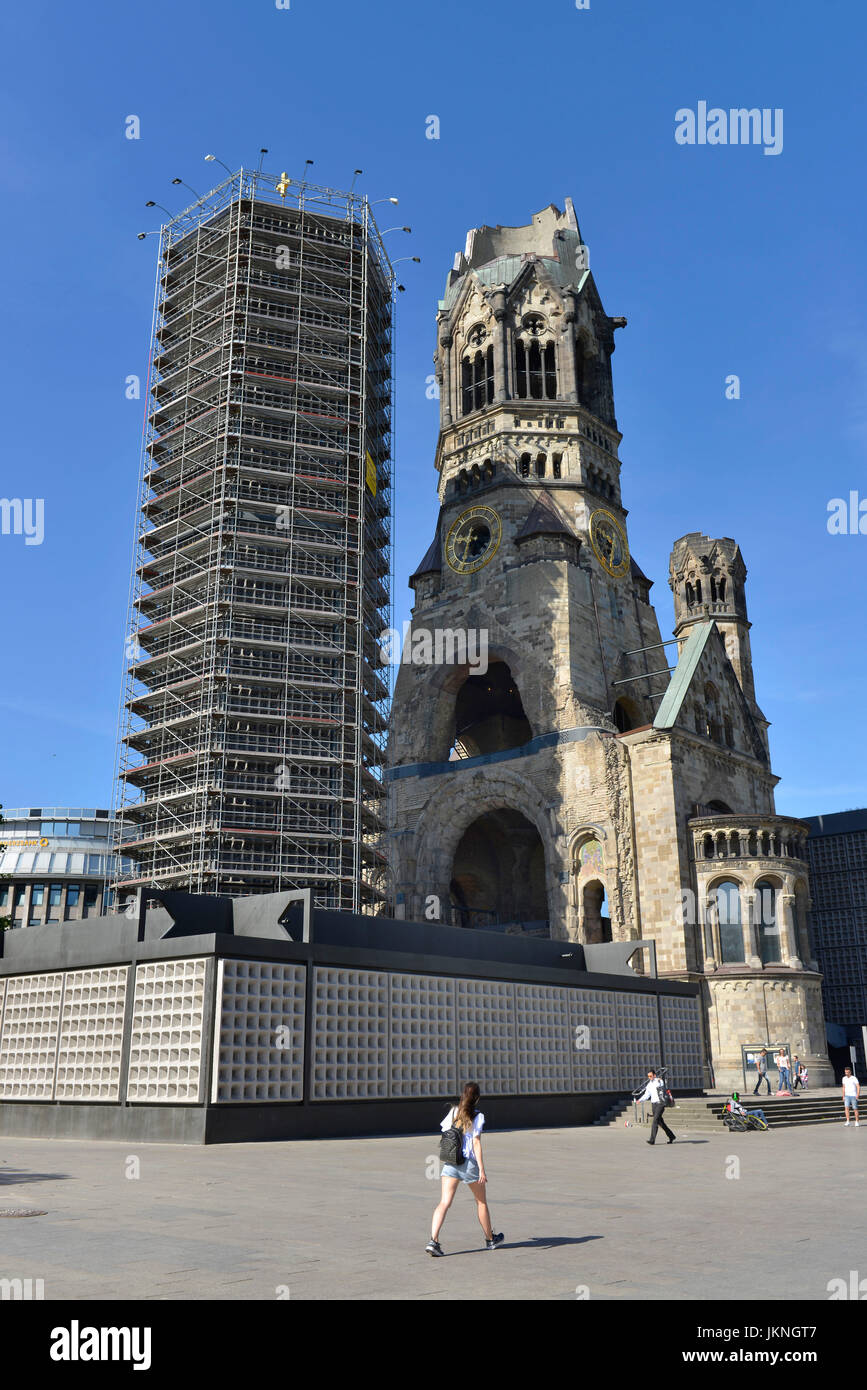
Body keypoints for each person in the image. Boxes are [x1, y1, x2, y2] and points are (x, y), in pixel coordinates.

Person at [426, 1082, 504, 1256]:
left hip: (451, 1162)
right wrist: (482, 1169)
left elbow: (445, 1133)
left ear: (462, 1095)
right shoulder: (478, 1116)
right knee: (481, 1202)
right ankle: (490, 1239)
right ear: (477, 1097)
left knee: (444, 1202)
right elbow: (476, 1143)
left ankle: (433, 1241)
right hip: (468, 1164)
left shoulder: (453, 1111)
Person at [636, 1068, 676, 1145]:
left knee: (655, 1120)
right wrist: (639, 1100)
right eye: (648, 1076)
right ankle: (671, 1136)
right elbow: (646, 1095)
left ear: (654, 1075)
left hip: (660, 1103)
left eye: (650, 1076)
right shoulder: (649, 1085)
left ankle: (652, 1140)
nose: (649, 1078)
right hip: (653, 1104)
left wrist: (659, 1080)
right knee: (660, 1122)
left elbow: (662, 1086)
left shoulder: (659, 1081)